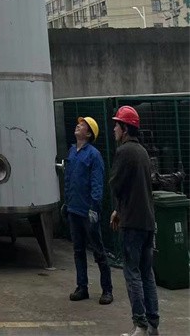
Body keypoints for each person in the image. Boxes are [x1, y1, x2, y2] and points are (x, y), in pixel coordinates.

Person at [110, 105, 159, 336]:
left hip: (132, 224)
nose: (114, 129)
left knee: (133, 274)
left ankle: (139, 325)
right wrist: (118, 210)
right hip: (147, 221)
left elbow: (117, 185)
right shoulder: (142, 152)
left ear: (126, 128)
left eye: (117, 125)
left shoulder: (125, 152)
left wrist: (119, 210)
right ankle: (153, 325)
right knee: (147, 274)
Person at [62, 116, 113, 304]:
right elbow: (68, 179)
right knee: (78, 250)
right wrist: (67, 203)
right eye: (79, 123)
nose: (78, 125)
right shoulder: (72, 152)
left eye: (82, 125)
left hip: (87, 211)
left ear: (89, 134)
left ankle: (107, 290)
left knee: (98, 251)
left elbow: (97, 183)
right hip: (74, 209)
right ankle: (82, 287)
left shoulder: (93, 155)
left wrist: (94, 208)